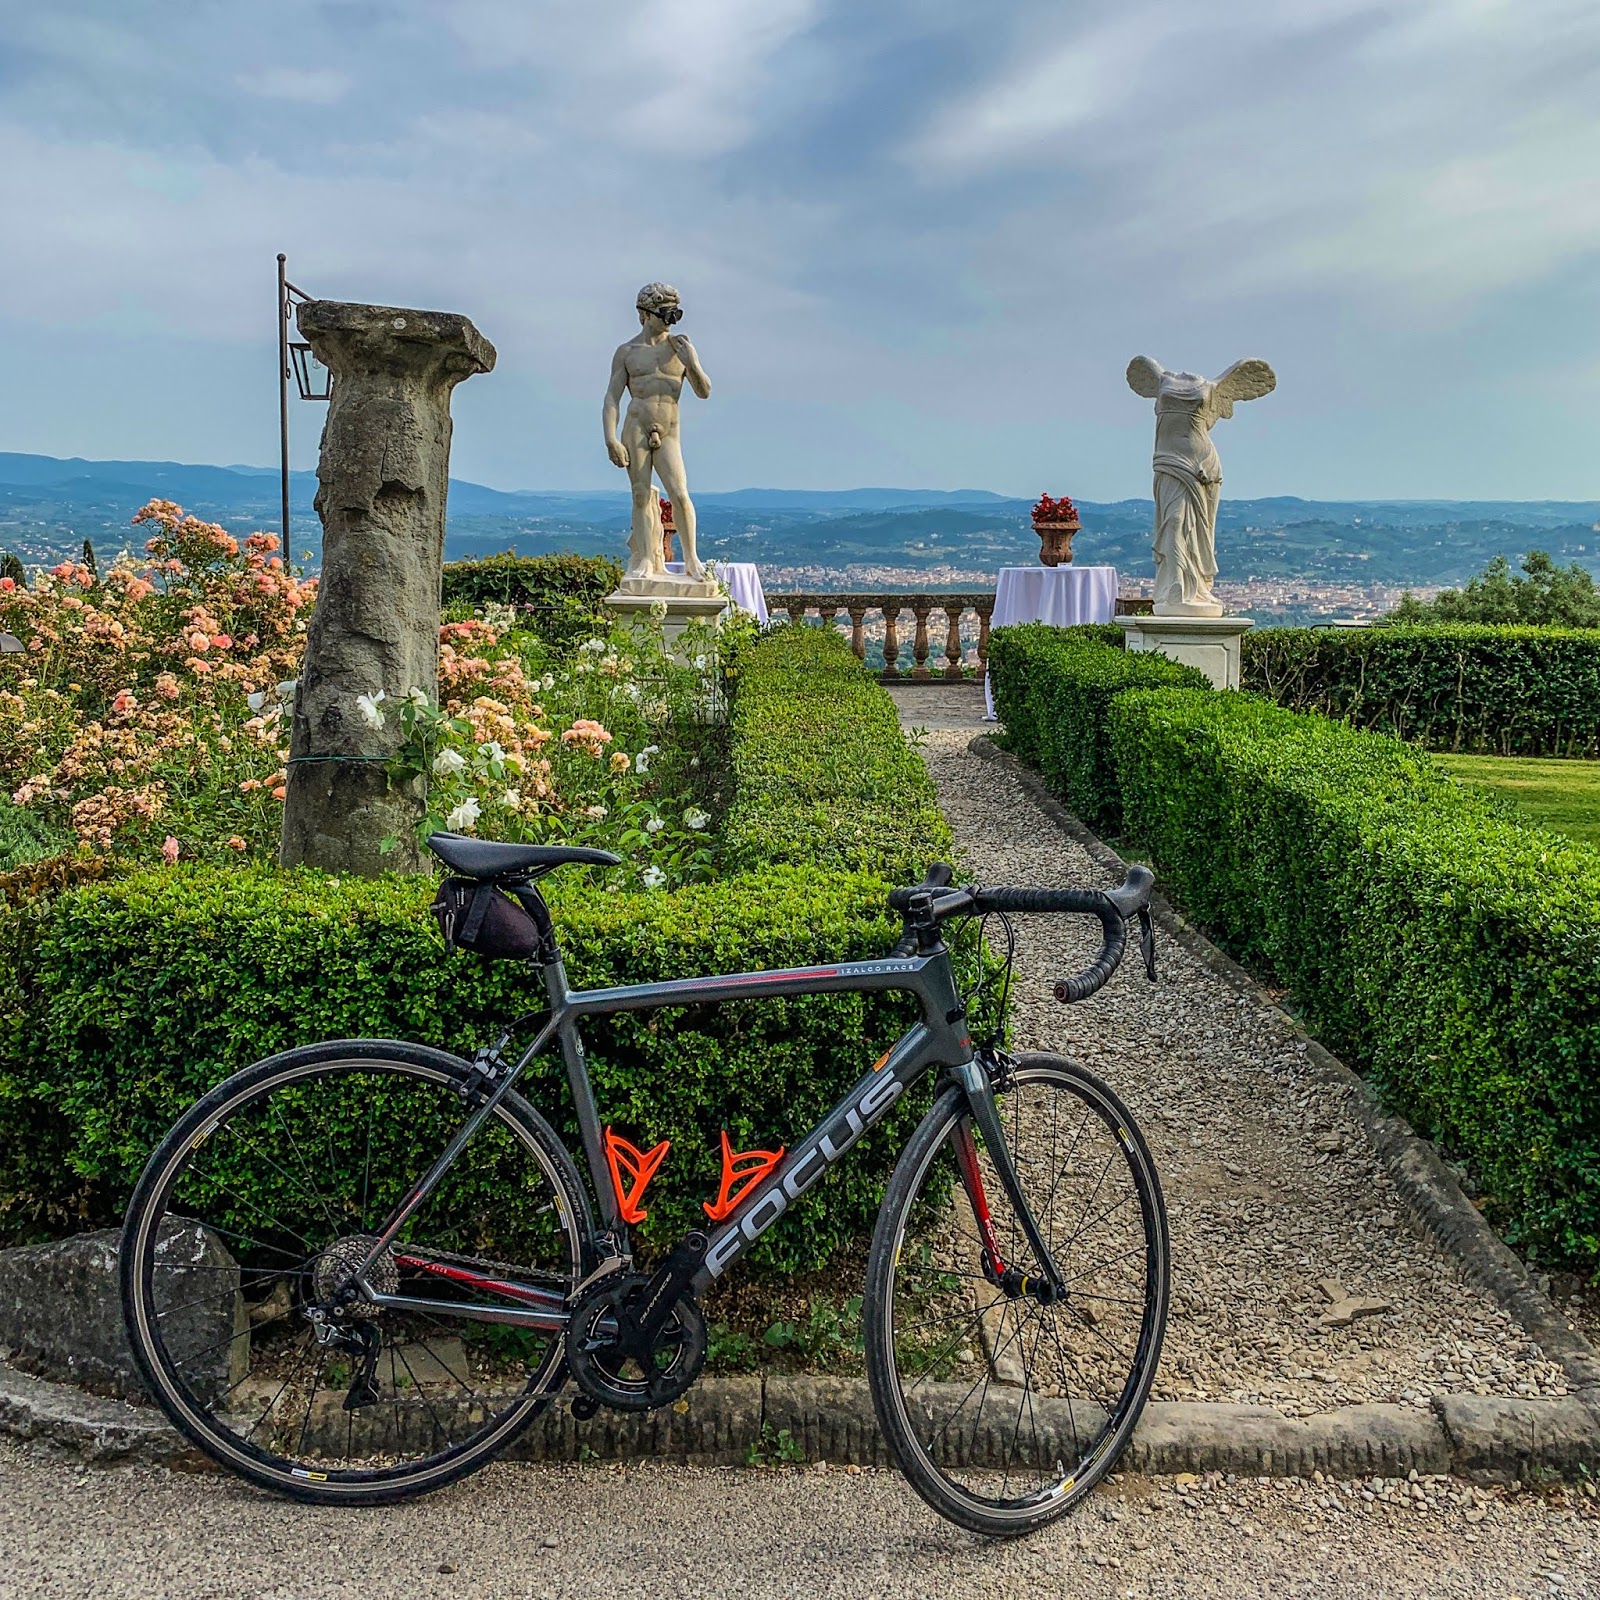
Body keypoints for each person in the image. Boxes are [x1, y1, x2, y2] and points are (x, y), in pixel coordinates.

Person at [602, 284, 713, 585]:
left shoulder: (679, 349)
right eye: (665, 314)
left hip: (669, 431)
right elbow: (612, 397)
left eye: (674, 313)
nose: (670, 320)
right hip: (636, 426)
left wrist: (692, 363)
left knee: (679, 494)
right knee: (640, 494)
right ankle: (646, 560)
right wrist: (610, 438)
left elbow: (703, 392)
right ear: (645, 314)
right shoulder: (627, 352)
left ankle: (691, 557)